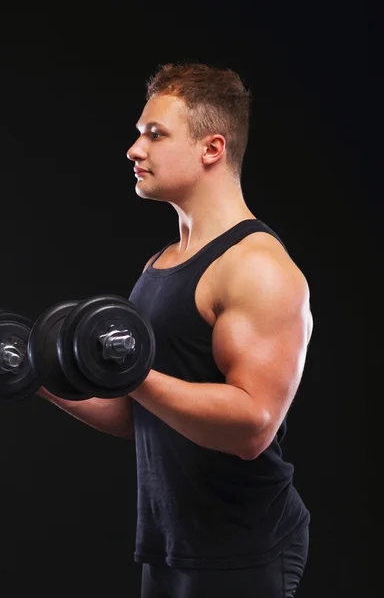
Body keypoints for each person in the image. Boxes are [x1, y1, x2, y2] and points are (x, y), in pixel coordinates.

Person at [36, 62, 313, 598]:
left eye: (154, 135)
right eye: (140, 133)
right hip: (168, 544)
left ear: (211, 148)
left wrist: (130, 373)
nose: (134, 150)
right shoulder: (161, 263)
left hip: (243, 546)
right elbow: (136, 414)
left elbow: (252, 427)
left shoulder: (256, 267)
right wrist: (40, 374)